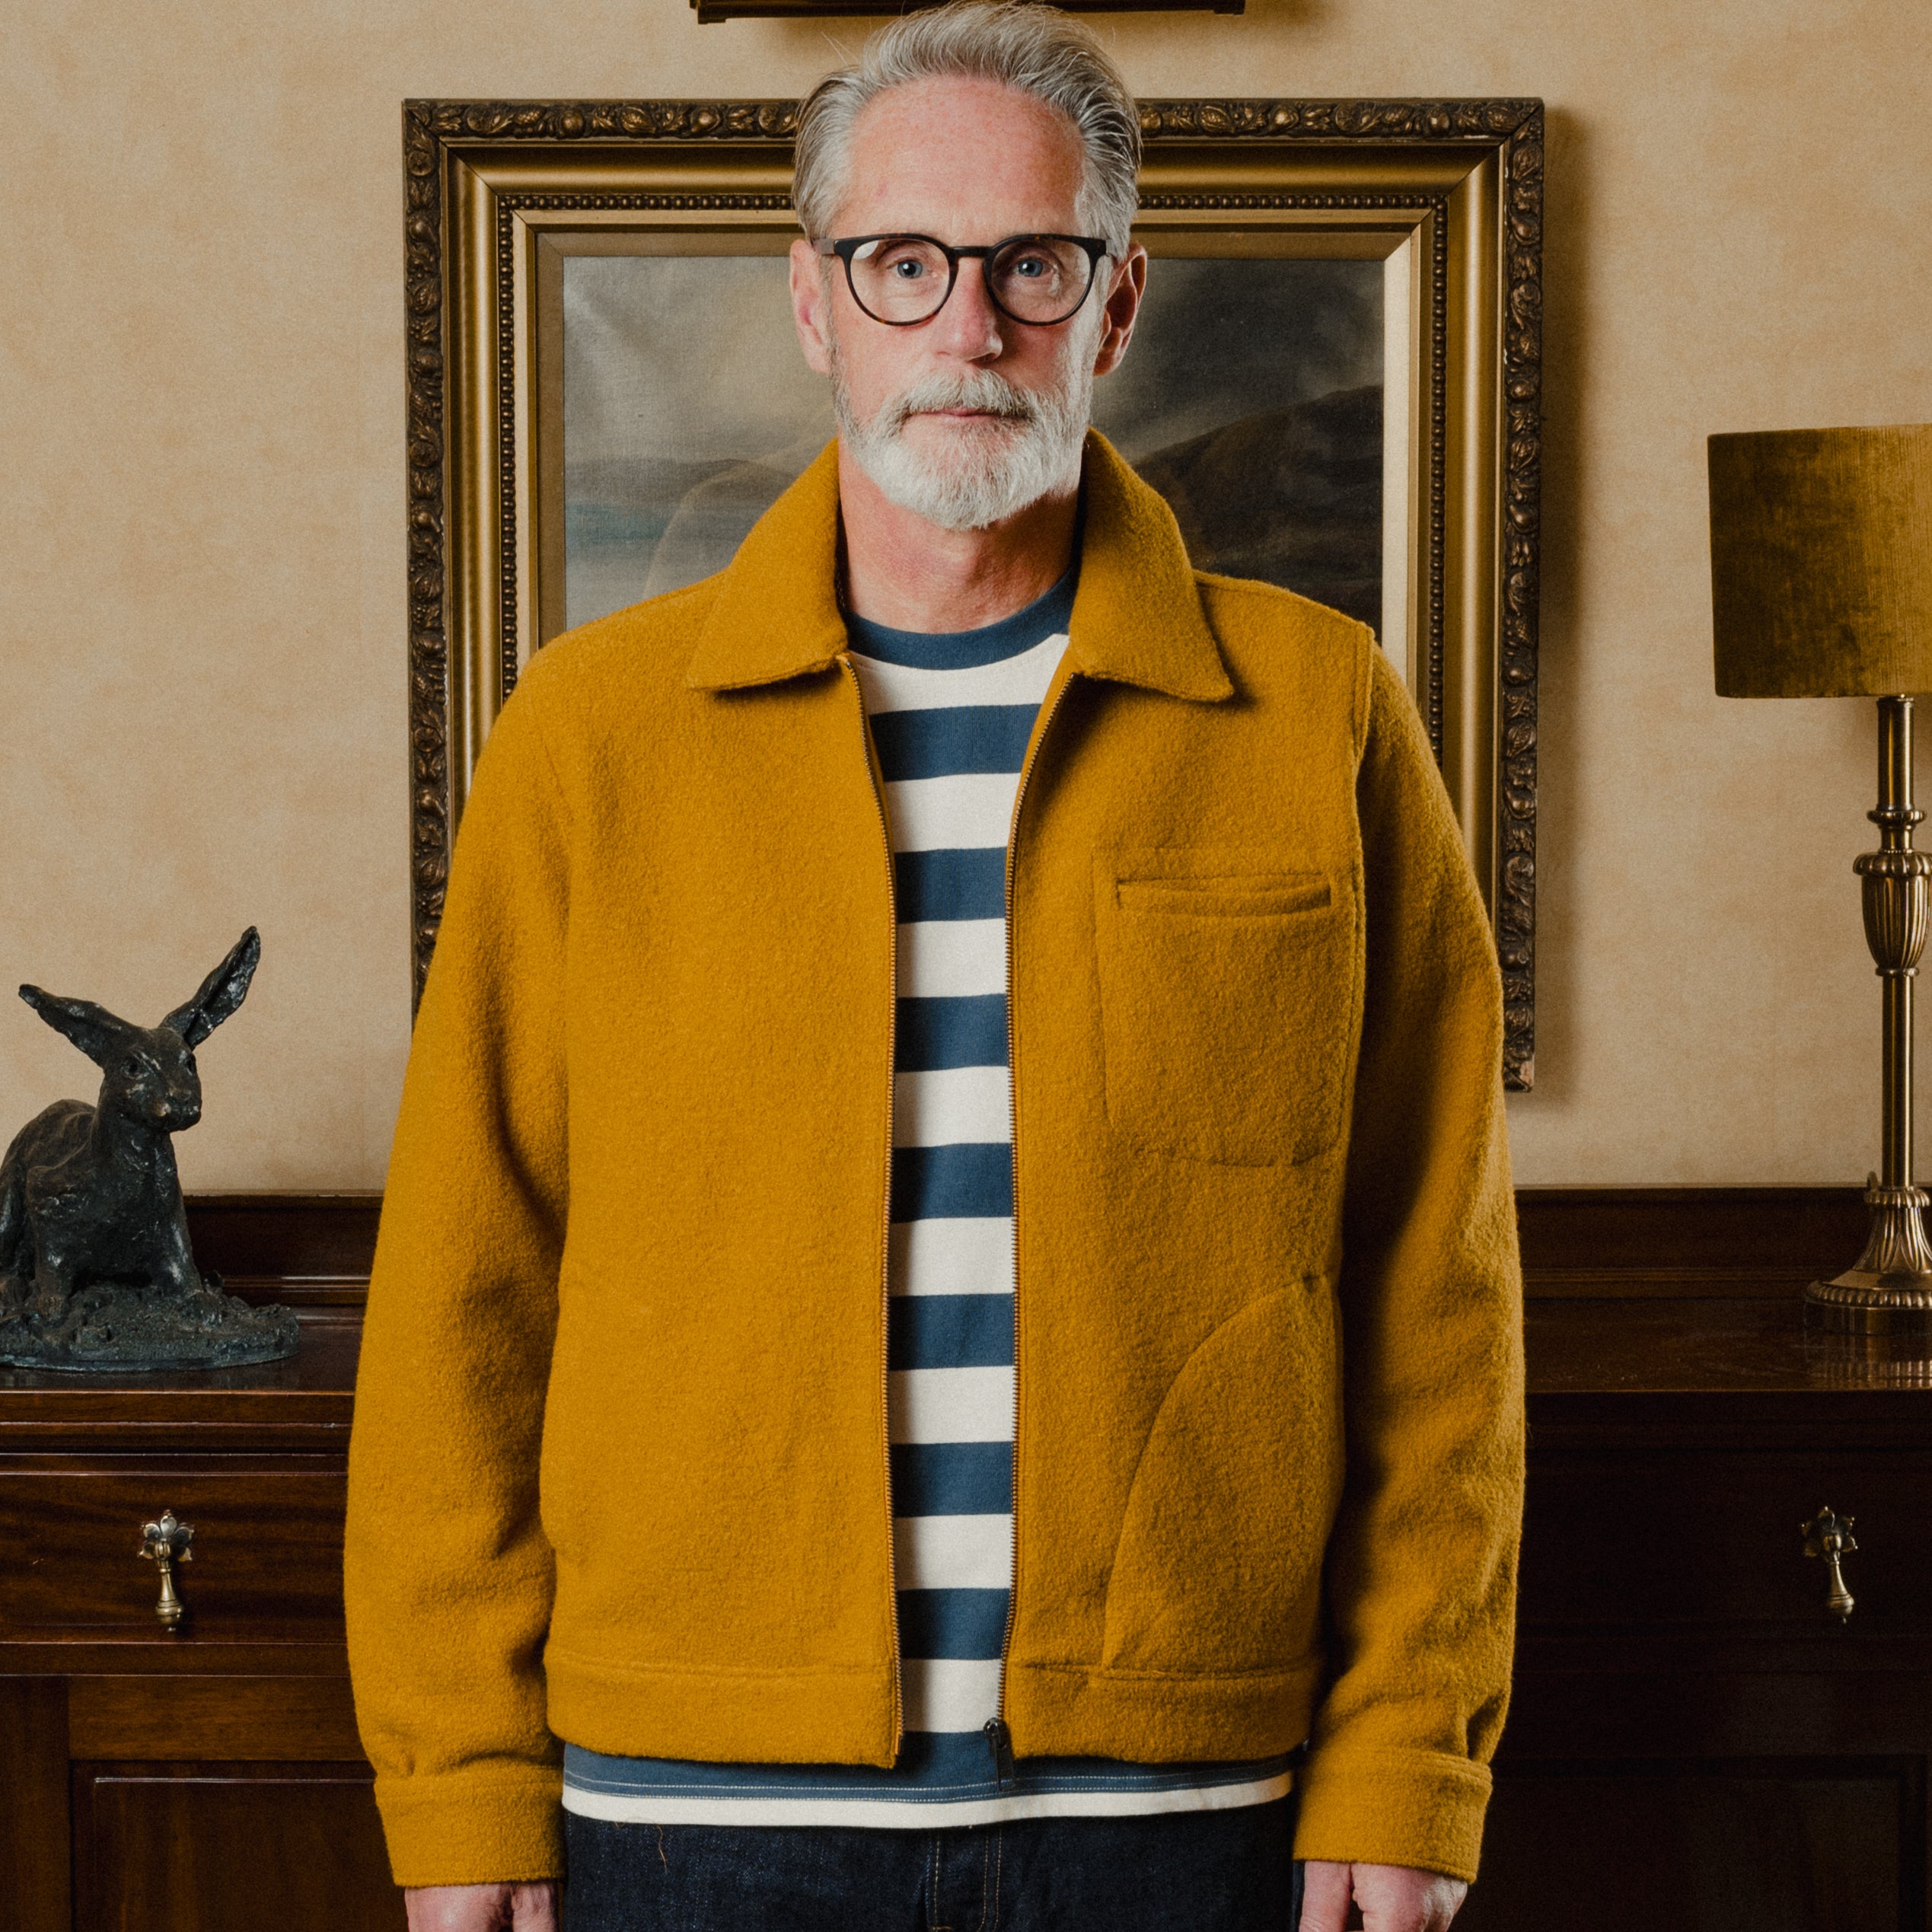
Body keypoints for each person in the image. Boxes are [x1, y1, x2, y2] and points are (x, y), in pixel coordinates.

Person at [343, 7, 1525, 1930]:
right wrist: (458, 1782)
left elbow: (1433, 1297)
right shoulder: (588, 740)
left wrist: (1411, 1751)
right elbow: (466, 1298)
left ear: (1114, 303)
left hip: (1186, 1808)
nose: (968, 327)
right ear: (817, 301)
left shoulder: (1320, 715)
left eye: (1029, 266)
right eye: (905, 263)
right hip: (694, 1813)